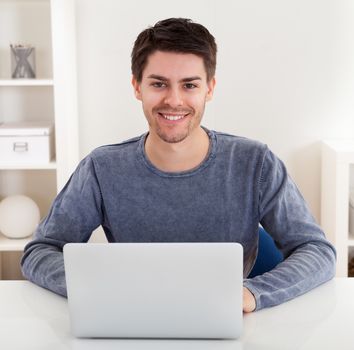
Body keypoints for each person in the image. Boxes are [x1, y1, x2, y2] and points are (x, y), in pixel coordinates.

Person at [21, 18, 336, 313]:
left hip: (227, 321)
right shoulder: (102, 168)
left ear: (209, 88)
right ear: (137, 86)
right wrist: (96, 289)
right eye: (158, 84)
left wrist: (254, 293)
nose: (174, 100)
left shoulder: (255, 163)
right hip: (133, 317)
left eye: (189, 85)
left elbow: (316, 251)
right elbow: (41, 251)